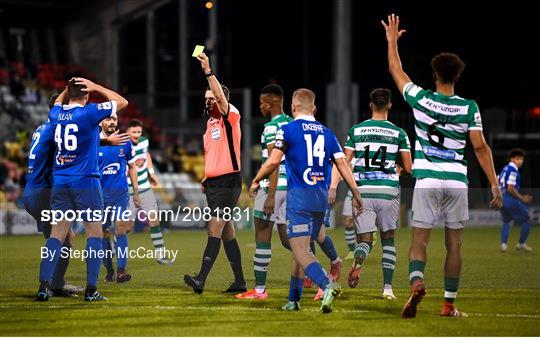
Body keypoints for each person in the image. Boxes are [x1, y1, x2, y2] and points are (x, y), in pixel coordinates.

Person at [382, 14, 503, 318]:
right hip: (456, 181)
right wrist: (493, 182)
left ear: (435, 74)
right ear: (457, 77)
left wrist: (392, 42)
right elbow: (479, 146)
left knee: (419, 240)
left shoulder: (421, 99)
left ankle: (417, 282)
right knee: (455, 245)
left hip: (427, 180)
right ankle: (448, 304)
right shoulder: (468, 107)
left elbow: (396, 71)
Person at [250, 88, 363, 313]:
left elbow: (273, 162)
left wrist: (256, 179)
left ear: (292, 108)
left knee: (300, 250)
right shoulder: (327, 132)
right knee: (300, 249)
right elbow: (342, 165)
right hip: (321, 199)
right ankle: (294, 299)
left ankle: (327, 283)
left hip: (300, 197)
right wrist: (356, 193)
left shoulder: (288, 129)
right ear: (314, 108)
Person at [36, 77, 128, 302]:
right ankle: (91, 289)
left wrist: (68, 88)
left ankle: (43, 287)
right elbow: (121, 102)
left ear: (67, 93)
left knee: (57, 234)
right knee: (94, 233)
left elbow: (58, 101)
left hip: (60, 181)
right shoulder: (89, 113)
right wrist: (95, 86)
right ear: (85, 95)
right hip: (86, 181)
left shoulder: (55, 115)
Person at [330, 88, 412, 301]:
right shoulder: (399, 133)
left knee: (365, 239)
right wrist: (399, 169)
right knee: (388, 239)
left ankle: (360, 255)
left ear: (370, 105)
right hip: (388, 191)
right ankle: (387, 289)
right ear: (390, 105)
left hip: (362, 191)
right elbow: (409, 166)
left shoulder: (356, 131)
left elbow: (344, 162)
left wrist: (333, 186)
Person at [184, 53, 246, 294]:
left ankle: (201, 279)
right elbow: (214, 155)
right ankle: (240, 281)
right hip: (214, 184)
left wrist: (208, 71)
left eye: (212, 98)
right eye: (206, 98)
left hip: (229, 183)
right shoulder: (209, 124)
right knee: (227, 233)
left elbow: (220, 96)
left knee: (214, 228)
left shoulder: (231, 116)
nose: (209, 101)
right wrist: (206, 177)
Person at [98, 116, 141, 282]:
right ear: (101, 122)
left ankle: (121, 271)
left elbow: (132, 167)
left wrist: (136, 192)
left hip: (120, 194)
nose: (111, 122)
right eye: (108, 119)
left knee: (120, 230)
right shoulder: (94, 141)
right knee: (103, 233)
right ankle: (109, 271)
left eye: (114, 119)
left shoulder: (125, 141)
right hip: (99, 196)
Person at [125, 119, 173, 265]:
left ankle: (160, 256)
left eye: (138, 132)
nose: (136, 135)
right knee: (126, 227)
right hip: (128, 190)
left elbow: (146, 156)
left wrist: (151, 172)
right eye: (133, 132)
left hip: (145, 188)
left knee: (154, 220)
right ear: (127, 131)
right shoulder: (121, 144)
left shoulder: (144, 141)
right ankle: (113, 252)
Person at [499, 148, 533, 252]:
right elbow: (510, 188)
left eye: (522, 159)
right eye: (518, 159)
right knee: (527, 218)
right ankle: (521, 243)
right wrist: (522, 198)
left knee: (506, 221)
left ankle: (503, 245)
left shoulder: (505, 168)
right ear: (512, 159)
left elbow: (497, 180)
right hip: (509, 199)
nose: (520, 161)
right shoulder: (513, 170)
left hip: (501, 199)